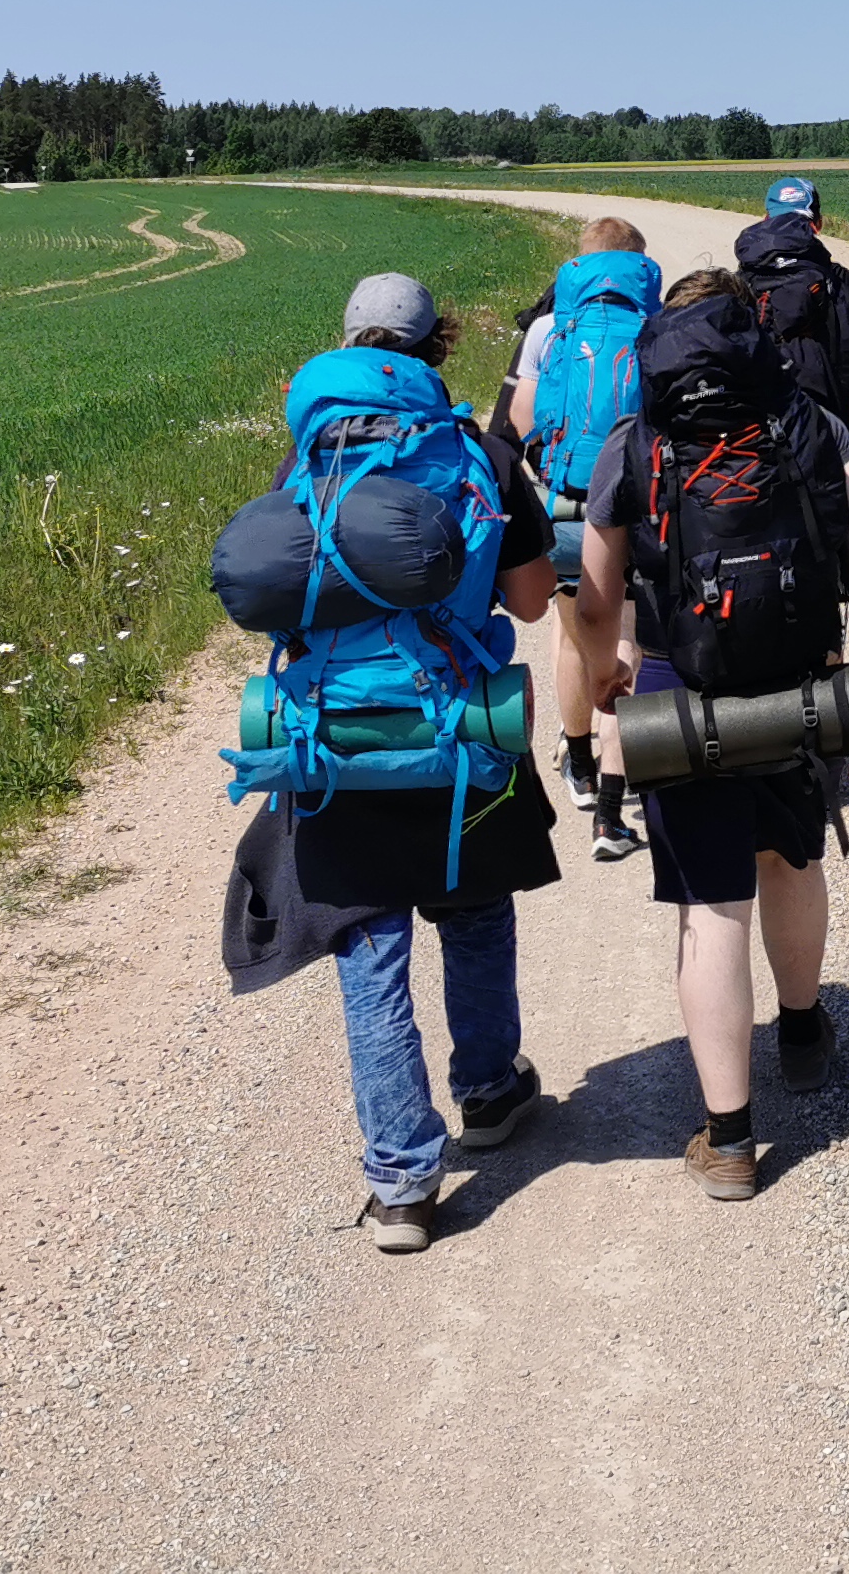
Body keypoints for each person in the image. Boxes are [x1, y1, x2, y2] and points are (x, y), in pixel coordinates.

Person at [218, 272, 567, 1254]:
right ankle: (489, 1091)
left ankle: (404, 1185)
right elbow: (532, 600)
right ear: (435, 347)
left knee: (369, 951)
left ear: (346, 344)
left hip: (335, 744)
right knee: (475, 914)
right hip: (457, 735)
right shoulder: (478, 455)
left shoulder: (305, 459)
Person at [572, 270, 849, 1203]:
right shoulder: (810, 423)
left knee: (711, 906)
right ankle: (801, 1033)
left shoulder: (635, 441)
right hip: (801, 687)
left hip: (678, 688)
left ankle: (729, 1142)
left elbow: (594, 598)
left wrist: (604, 680)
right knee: (790, 862)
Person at [496, 217, 658, 862]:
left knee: (570, 635)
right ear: (639, 263)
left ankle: (581, 765)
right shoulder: (656, 321)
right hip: (636, 506)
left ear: (579, 263)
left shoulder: (548, 328)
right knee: (626, 638)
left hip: (566, 506)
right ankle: (617, 801)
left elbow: (520, 419)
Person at [731, 174, 849, 514]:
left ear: (765, 220)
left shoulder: (734, 287)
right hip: (838, 450)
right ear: (818, 225)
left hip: (756, 456)